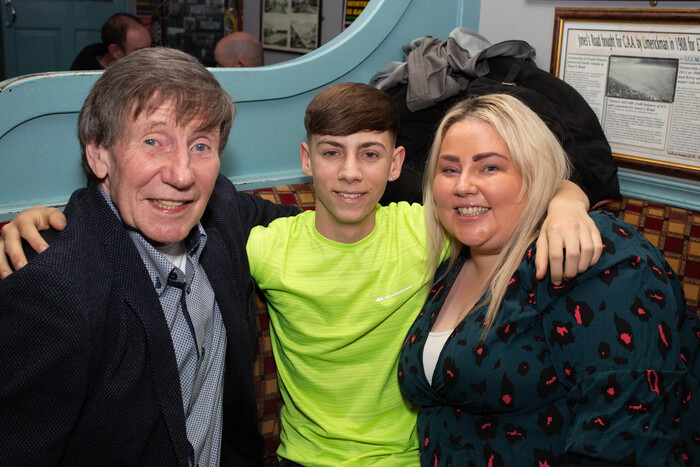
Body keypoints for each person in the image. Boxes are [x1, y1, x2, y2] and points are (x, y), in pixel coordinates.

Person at [1, 84, 602, 465]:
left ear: (397, 164)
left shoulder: (428, 229)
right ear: (306, 160)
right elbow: (147, 209)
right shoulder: (265, 244)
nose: (350, 173)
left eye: (370, 154)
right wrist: (56, 221)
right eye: (332, 153)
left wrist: (568, 202)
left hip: (411, 457)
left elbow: (512, 198)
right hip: (302, 458)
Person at [0, 47, 298, 464]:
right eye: (154, 142)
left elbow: (317, 225)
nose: (182, 174)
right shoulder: (53, 284)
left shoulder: (222, 211)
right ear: (98, 154)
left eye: (201, 145)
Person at [398, 94, 700, 466]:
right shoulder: (449, 263)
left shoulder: (588, 255)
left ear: (535, 175)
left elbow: (626, 435)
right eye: (449, 169)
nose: (463, 185)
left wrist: (566, 200)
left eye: (489, 167)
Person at [70, 13, 152, 70]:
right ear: (115, 51)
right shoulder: (83, 77)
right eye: (140, 52)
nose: (148, 57)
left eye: (150, 48)